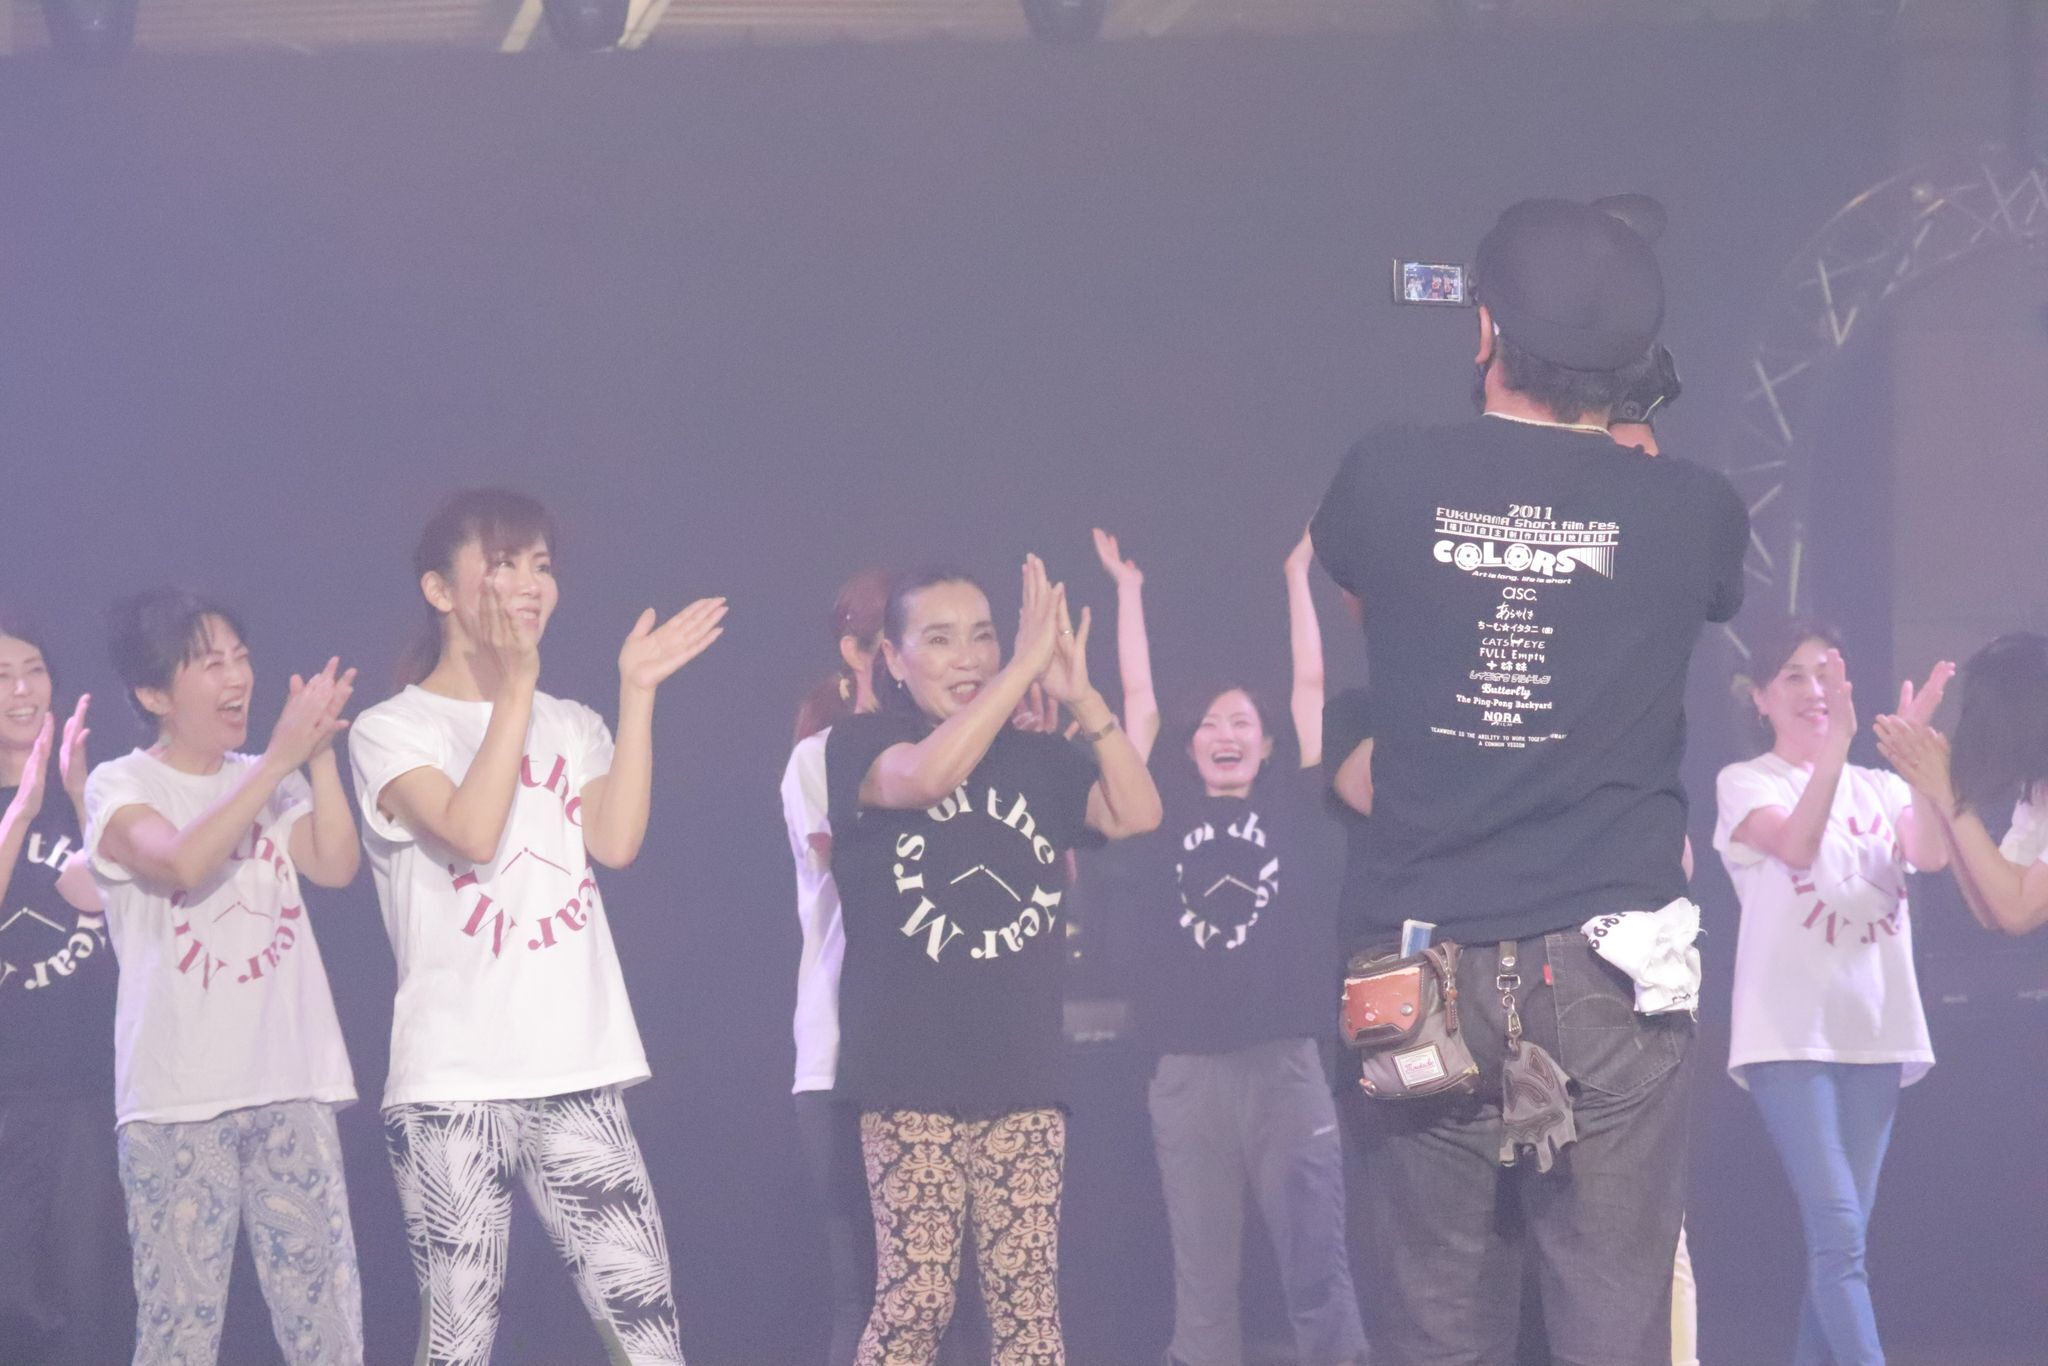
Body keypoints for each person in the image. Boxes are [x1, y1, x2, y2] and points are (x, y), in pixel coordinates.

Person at [1310, 196, 1749, 1364]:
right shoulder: (1689, 508)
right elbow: (1705, 589)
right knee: (1610, 1325)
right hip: (1609, 966)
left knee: (1435, 1326)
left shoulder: (1387, 474)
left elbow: (1366, 602)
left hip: (1424, 963)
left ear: (1485, 331)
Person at [348, 488, 724, 1366]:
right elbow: (472, 832)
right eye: (504, 564)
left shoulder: (572, 723)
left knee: (648, 1336)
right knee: (458, 1341)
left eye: (542, 565)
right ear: (440, 590)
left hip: (576, 1072)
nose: (530, 584)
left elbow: (616, 842)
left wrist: (635, 694)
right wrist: (515, 688)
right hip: (453, 1086)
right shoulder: (390, 729)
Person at [826, 557, 1161, 1365]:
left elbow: (1137, 812)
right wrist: (1018, 675)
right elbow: (926, 778)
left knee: (1029, 1312)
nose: (969, 657)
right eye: (940, 640)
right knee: (919, 1299)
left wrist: (1081, 695)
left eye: (983, 636)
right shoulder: (864, 743)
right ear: (894, 658)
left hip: (1022, 1072)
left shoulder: (1038, 758)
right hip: (909, 1073)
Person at [1090, 527, 1367, 1366]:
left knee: (1316, 1266)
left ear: (1268, 742)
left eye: (1243, 721)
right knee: (1202, 1277)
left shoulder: (1296, 808)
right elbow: (1136, 702)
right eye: (1211, 722)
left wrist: (1297, 577)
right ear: (1190, 744)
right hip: (1187, 1068)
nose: (1227, 732)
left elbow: (1310, 685)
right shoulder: (1159, 810)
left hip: (1284, 1062)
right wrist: (1127, 593)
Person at [83, 589, 363, 1366]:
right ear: (153, 694)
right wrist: (277, 762)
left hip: (290, 1082)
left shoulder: (269, 777)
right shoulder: (120, 785)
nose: (238, 677)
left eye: (241, 658)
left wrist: (317, 756)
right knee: (179, 1334)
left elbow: (336, 864)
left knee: (327, 1328)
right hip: (178, 1102)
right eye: (211, 664)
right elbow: (180, 861)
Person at [1715, 624, 1949, 1365]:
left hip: (1876, 1032)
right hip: (1790, 1037)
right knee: (1839, 1232)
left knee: (1841, 1245)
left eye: (1825, 674)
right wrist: (1839, 747)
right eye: (1793, 675)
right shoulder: (1746, 781)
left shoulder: (1880, 788)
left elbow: (1931, 852)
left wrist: (1916, 761)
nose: (1815, 690)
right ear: (1760, 698)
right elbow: (1797, 845)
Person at [0, 619, 132, 1365]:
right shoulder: (20, 808)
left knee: (90, 1304)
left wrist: (81, 796)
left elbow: (135, 913)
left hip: (89, 1087)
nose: (22, 690)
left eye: (35, 670)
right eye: (1, 676)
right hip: (7, 1092)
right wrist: (19, 810)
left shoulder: (96, 788)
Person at [1877, 631, 2048, 935]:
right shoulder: (2037, 785)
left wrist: (1948, 794)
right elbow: (1992, 907)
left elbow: (2019, 911)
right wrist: (1929, 781)